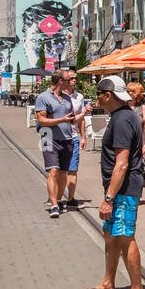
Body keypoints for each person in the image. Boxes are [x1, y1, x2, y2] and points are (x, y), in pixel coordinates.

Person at [83, 76, 145, 289]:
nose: (96, 96)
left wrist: (109, 199)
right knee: (111, 235)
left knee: (124, 237)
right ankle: (108, 283)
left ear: (107, 95)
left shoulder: (122, 120)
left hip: (124, 189)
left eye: (98, 92)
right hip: (119, 188)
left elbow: (122, 163)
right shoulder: (122, 116)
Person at [35, 71, 76, 218]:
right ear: (60, 81)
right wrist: (62, 120)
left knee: (63, 173)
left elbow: (70, 118)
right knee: (52, 171)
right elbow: (42, 121)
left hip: (67, 138)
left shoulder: (66, 98)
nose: (71, 81)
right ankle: (53, 205)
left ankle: (58, 201)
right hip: (48, 137)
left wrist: (79, 117)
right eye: (68, 79)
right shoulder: (43, 97)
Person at [59, 68, 90, 210]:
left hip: (73, 137)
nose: (74, 80)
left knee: (73, 169)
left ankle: (71, 198)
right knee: (59, 170)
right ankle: (56, 198)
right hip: (59, 137)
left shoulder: (79, 97)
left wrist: (83, 136)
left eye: (75, 78)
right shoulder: (57, 96)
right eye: (71, 78)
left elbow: (81, 119)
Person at [127, 82, 145, 150]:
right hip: (124, 142)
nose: (129, 93)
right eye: (127, 91)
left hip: (139, 143)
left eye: (131, 91)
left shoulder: (143, 108)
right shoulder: (122, 107)